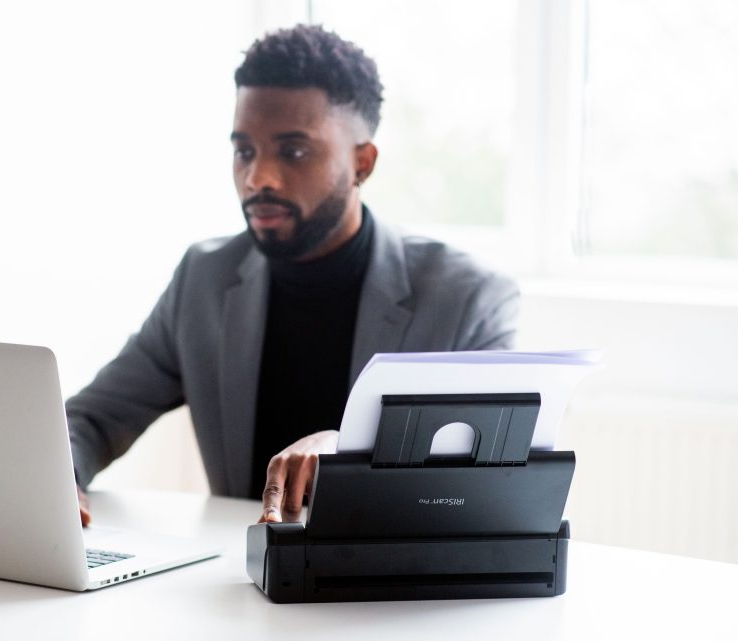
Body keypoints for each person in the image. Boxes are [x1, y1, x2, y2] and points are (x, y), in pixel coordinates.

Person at [66, 24, 518, 526]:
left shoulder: (467, 297)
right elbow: (89, 419)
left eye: (294, 152)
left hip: (398, 591)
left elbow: (492, 479)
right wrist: (58, 476)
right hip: (246, 584)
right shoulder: (204, 280)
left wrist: (349, 453)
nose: (258, 178)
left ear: (361, 163)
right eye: (244, 151)